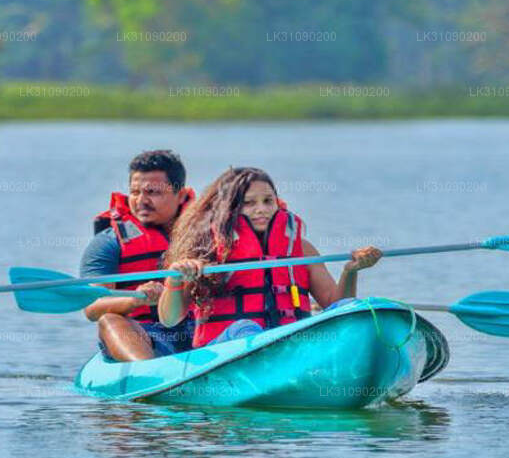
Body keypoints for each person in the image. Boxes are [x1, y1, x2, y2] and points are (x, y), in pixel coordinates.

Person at [158, 166, 382, 347]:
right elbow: (169, 318)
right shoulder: (206, 253)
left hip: (290, 346)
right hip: (225, 350)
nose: (261, 209)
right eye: (249, 203)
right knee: (245, 328)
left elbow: (338, 307)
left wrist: (351, 271)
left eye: (268, 201)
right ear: (228, 208)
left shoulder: (301, 250)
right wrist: (176, 279)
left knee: (356, 308)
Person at [81, 150, 195, 361]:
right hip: (144, 335)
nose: (141, 201)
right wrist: (135, 299)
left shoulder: (208, 234)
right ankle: (147, 370)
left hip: (201, 331)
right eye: (135, 192)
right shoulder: (107, 243)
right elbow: (92, 308)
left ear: (180, 195)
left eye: (153, 192)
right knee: (109, 320)